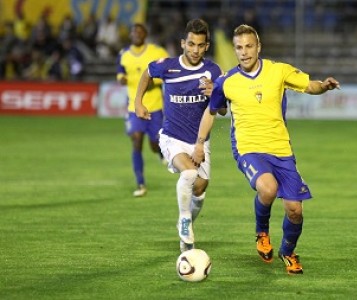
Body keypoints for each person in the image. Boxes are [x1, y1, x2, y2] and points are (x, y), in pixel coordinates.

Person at [192, 24, 340, 275]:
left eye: (249, 46)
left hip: (281, 150)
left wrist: (323, 86)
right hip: (248, 148)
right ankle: (261, 232)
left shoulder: (278, 71)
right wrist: (199, 143)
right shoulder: (226, 81)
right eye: (239, 47)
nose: (244, 52)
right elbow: (213, 111)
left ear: (258, 47)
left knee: (295, 210)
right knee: (268, 188)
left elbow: (309, 85)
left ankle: (288, 252)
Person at [134, 19, 226, 252]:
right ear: (183, 43)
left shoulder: (214, 71)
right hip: (171, 137)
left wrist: (215, 92)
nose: (195, 50)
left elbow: (222, 110)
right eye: (191, 44)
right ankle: (185, 221)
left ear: (206, 46)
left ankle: (185, 224)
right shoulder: (168, 66)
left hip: (199, 141)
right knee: (189, 173)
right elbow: (146, 73)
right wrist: (138, 103)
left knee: (200, 187)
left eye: (200, 45)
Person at [117, 23, 169, 197]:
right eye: (134, 32)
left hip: (155, 107)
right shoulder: (124, 55)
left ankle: (159, 152)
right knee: (136, 140)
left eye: (140, 32)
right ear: (130, 35)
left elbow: (169, 74)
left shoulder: (157, 52)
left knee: (154, 143)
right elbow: (120, 73)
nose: (136, 34)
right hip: (134, 107)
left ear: (145, 34)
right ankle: (140, 183)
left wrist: (151, 81)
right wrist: (122, 80)